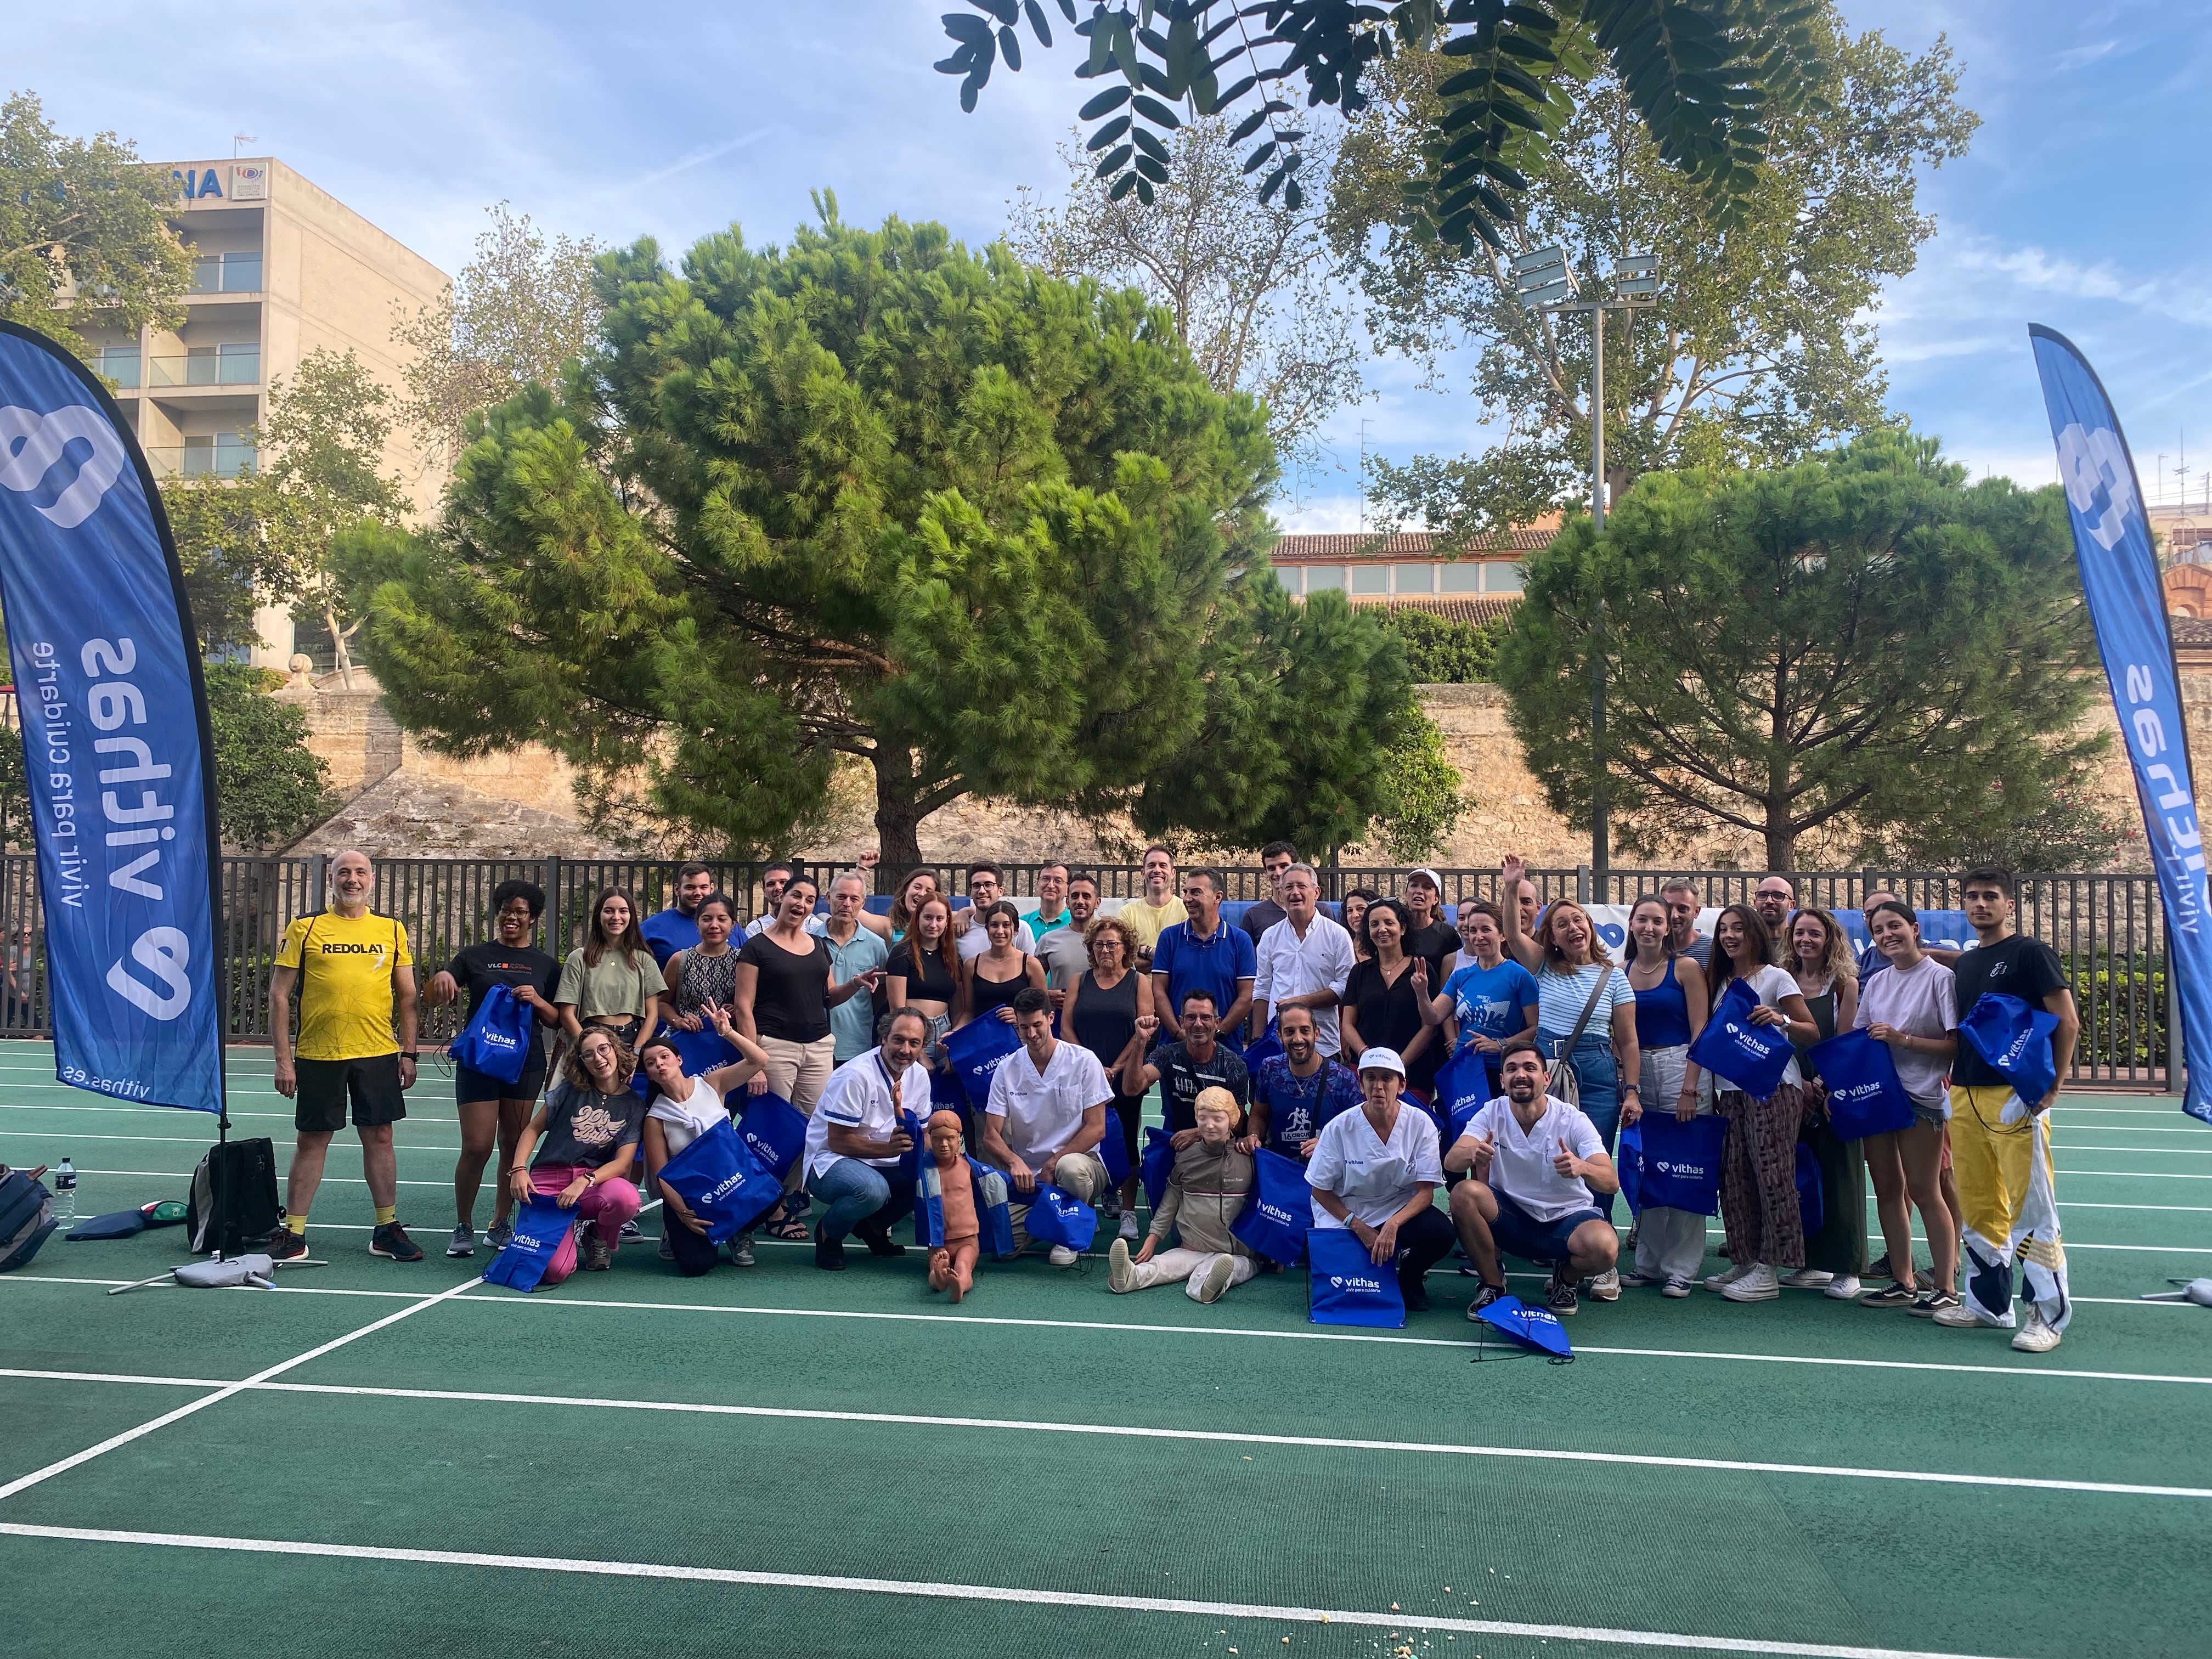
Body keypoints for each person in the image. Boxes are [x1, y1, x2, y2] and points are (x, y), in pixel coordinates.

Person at [1938, 867, 2078, 1351]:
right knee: (1979, 1204)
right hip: (1966, 1093)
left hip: (2016, 1095)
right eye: (1972, 897)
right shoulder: (1970, 962)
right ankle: (1988, 1304)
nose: (1980, 904)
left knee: (2032, 1207)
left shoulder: (2031, 953)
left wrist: (2054, 1086)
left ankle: (2047, 1315)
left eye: (1990, 896)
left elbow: (2067, 1021)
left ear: (2009, 904)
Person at [265, 849, 422, 1263]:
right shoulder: (305, 928)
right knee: (312, 1140)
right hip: (320, 1053)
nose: (352, 880)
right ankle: (293, 1233)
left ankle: (387, 1229)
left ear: (372, 879)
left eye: (360, 873)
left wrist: (410, 1052)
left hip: (378, 1053)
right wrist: (284, 1059)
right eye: (343, 873)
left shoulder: (391, 929)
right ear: (331, 879)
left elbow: (407, 995)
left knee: (381, 1137)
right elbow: (279, 995)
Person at [1498, 854, 1639, 1300]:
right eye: (1562, 924)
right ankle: (1552, 1241)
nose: (1573, 928)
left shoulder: (1615, 978)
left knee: (1594, 1164)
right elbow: (1513, 934)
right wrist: (1511, 887)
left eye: (1578, 920)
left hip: (1596, 1073)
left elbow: (1629, 1042)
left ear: (1591, 927)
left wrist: (1631, 1092)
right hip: (1549, 1070)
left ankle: (1599, 1263)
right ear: (1552, 937)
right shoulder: (1541, 965)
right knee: (1545, 1156)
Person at [733, 874, 886, 1242]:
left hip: (819, 1048)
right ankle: (763, 1211)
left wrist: (855, 984)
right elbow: (743, 1006)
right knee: (771, 1134)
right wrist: (754, 1062)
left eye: (808, 899)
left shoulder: (818, 946)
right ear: (782, 897)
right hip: (774, 1049)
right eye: (795, 896)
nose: (800, 904)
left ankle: (781, 1201)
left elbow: (829, 997)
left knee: (811, 1133)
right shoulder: (756, 948)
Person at [424, 877, 562, 1257]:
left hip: (526, 1064)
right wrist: (442, 979)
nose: (512, 917)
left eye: (520, 912)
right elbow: (434, 995)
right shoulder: (473, 956)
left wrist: (537, 1000)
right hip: (480, 1061)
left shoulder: (547, 966)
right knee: (477, 1146)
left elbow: (558, 1020)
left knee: (512, 1145)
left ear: (533, 918)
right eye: (506, 910)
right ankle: (463, 1225)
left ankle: (500, 1223)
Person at [1691, 905, 1820, 1304]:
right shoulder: (1718, 981)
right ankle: (1745, 1258)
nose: (1730, 936)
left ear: (1755, 935)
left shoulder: (1776, 977)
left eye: (1738, 929)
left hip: (1774, 1088)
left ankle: (1771, 1266)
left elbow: (1812, 1032)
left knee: (1771, 1173)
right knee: (1733, 1175)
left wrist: (1780, 1019)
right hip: (1730, 1090)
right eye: (1724, 930)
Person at [1446, 1040, 1622, 1318]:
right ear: (1502, 1080)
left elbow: (1611, 1182)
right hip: (1510, 1219)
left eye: (1530, 1068)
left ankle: (1566, 1279)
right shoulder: (1491, 1111)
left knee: (1605, 1248)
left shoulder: (1572, 1119)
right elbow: (1452, 1161)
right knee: (1464, 1193)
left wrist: (1582, 1167)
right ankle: (1493, 1283)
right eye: (1512, 1069)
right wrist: (1473, 1152)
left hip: (1566, 1220)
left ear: (1546, 1078)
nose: (1521, 1075)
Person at [1853, 898, 1962, 1317]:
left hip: (1922, 1098)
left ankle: (1947, 1286)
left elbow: (1954, 1045)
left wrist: (1904, 1041)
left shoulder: (1940, 978)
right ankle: (1903, 1281)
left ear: (1915, 928)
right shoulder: (1877, 983)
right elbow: (1860, 1040)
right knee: (1887, 1191)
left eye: (1894, 926)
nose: (1887, 935)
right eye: (1879, 930)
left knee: (1925, 1189)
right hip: (1879, 1097)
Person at [1306, 1047, 1454, 1312]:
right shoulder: (1339, 1128)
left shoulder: (1421, 1124)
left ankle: (1409, 1279)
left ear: (1402, 1085)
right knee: (1346, 1289)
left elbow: (1425, 1193)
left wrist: (1394, 1224)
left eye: (1387, 1078)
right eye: (1371, 1078)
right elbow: (1320, 1191)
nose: (1378, 1086)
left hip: (1398, 1208)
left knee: (1441, 1233)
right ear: (1361, 1084)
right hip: (1347, 1212)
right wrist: (1360, 1227)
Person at [979, 988, 1114, 1264]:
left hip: (1080, 1164)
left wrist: (1053, 1163)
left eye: (1037, 1025)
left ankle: (1072, 1225)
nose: (1031, 1035)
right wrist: (1014, 1161)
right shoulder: (1007, 1069)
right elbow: (991, 1135)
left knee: (1070, 1170)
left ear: (1051, 1018)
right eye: (1023, 1027)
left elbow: (1097, 1127)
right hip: (1030, 1178)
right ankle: (1055, 1216)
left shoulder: (1084, 1060)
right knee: (1000, 1246)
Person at [1618, 894, 1711, 1295]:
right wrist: (1629, 1085)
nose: (1650, 928)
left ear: (1669, 926)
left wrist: (1690, 1087)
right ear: (1632, 925)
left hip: (1681, 1068)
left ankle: (1682, 1269)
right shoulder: (1620, 971)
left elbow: (1700, 1030)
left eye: (1658, 921)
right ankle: (1649, 1264)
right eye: (1643, 920)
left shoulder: (1686, 968)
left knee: (1685, 1168)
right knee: (1649, 1168)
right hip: (1639, 1074)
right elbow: (1620, 1036)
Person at [505, 1024, 645, 1282]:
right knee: (555, 1272)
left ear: (615, 1050)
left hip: (588, 1185)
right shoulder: (570, 1090)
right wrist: (519, 1169)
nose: (599, 1059)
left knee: (627, 1198)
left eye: (604, 1049)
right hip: (548, 1182)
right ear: (582, 1061)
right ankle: (552, 1228)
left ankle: (595, 1234)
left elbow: (624, 1164)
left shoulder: (634, 1104)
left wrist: (585, 1180)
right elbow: (532, 1130)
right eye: (588, 1054)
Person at [638, 1011, 773, 1274]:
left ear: (679, 1060)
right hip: (693, 1195)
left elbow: (759, 1060)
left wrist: (727, 1033)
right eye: (651, 1063)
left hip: (731, 1179)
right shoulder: (655, 1118)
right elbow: (663, 1175)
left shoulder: (712, 1084)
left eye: (664, 1057)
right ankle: (674, 1232)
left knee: (770, 1194)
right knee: (696, 1265)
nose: (659, 1065)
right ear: (650, 1075)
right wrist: (683, 1213)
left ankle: (738, 1231)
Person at [803, 1007, 932, 1270]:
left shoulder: (920, 1076)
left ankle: (872, 1228)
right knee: (873, 1190)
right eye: (899, 1039)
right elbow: (838, 1141)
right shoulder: (856, 1074)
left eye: (914, 1043)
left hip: (884, 1159)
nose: (905, 1050)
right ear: (883, 1037)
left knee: (931, 1175)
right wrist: (888, 1149)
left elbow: (924, 1133)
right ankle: (829, 1233)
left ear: (922, 1047)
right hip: (831, 1160)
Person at [1784, 906, 1868, 1298]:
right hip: (1792, 1089)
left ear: (1829, 939)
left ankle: (1848, 1267)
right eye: (1800, 933)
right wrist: (1798, 1083)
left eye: (1814, 934)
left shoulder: (1844, 984)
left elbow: (1845, 1039)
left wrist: (1823, 1083)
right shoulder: (1783, 980)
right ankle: (1813, 1260)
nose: (1806, 940)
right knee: (1803, 1176)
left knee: (1841, 1176)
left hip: (1833, 1090)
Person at [1108, 1085, 1257, 1304]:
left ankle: (1206, 1287)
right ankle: (1128, 1276)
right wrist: (1153, 1239)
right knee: (1164, 1265)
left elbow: (1268, 1205)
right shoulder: (1186, 1157)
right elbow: (1171, 1201)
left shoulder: (1249, 1158)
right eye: (1203, 1118)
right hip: (1193, 1246)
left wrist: (1274, 1249)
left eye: (1218, 1119)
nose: (1210, 1125)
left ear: (1233, 1120)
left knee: (1227, 1267)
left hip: (1238, 1253)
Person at [1062, 912, 1154, 1238]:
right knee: (1082, 1138)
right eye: (1099, 945)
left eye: (1112, 944)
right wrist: (1091, 1065)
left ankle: (1128, 1212)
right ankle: (1083, 1207)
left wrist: (1115, 1067)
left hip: (1124, 1076)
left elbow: (1144, 1029)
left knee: (1127, 1140)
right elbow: (1066, 1027)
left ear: (1125, 947)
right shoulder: (1079, 981)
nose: (1106, 950)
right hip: (1083, 1076)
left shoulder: (1139, 982)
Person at [1424, 900, 1540, 1103]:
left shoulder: (1520, 976)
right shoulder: (1461, 976)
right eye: (1473, 930)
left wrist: (1501, 1044)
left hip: (1501, 1072)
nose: (1478, 937)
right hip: (1464, 1069)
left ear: (1503, 935)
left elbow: (1536, 1028)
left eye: (1486, 930)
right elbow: (1433, 1016)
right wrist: (1421, 992)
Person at [1342, 898, 1443, 1097]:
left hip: (1412, 1075)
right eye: (1374, 924)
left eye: (1389, 923)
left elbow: (1430, 1027)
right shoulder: (1359, 972)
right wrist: (1368, 1057)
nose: (1382, 929)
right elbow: (1347, 1024)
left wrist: (1398, 1065)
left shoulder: (1422, 970)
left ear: (1403, 928)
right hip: (1365, 1074)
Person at [1253, 864, 1356, 1059]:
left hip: (1323, 1044)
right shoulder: (1270, 936)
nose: (1295, 893)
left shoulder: (1337, 935)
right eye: (1289, 887)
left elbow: (1345, 987)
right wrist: (1258, 1038)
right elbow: (1262, 989)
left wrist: (1300, 1003)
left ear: (1316, 892)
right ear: (1281, 894)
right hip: (1278, 1045)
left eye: (1302, 886)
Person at [1125, 989, 1252, 1141]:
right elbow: (1132, 1088)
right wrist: (1140, 1041)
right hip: (1175, 1142)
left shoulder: (1233, 1065)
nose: (1198, 1024)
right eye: (1191, 1017)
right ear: (1182, 1022)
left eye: (1205, 1017)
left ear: (1216, 1022)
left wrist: (1199, 1133)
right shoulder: (1168, 1055)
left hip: (1216, 1147)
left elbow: (1236, 1123)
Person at [1151, 869, 1256, 1049]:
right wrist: (1179, 1033)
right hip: (1175, 1049)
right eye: (1186, 892)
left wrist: (1215, 1035)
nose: (1187, 899)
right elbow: (1159, 991)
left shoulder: (1240, 940)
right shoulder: (1170, 938)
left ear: (1217, 897)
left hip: (1225, 1051)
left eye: (1196, 892)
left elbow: (1247, 997)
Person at [1248, 1002, 1361, 1164]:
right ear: (1280, 1036)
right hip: (1280, 1169)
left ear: (1317, 1033)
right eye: (1289, 1032)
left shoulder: (1343, 1079)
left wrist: (1330, 1144)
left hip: (1327, 1173)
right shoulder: (1270, 1069)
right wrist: (1254, 1136)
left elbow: (1359, 1131)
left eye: (1305, 1030)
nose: (1298, 1039)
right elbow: (1259, 1114)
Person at [555, 890, 664, 1051]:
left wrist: (636, 1052)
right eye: (609, 911)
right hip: (590, 1035)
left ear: (631, 916)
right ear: (598, 916)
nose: (616, 917)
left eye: (623, 911)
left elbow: (653, 1015)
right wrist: (589, 1050)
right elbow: (567, 1014)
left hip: (632, 1039)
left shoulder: (645, 960)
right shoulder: (579, 958)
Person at [887, 893, 963, 1087]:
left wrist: (954, 1044)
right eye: (928, 918)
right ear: (918, 918)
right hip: (912, 1034)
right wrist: (919, 1051)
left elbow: (958, 1007)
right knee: (908, 1093)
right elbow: (897, 1009)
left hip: (945, 1035)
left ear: (947, 922)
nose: (933, 924)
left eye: (940, 919)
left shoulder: (953, 958)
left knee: (944, 1101)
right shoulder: (901, 953)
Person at [823, 870, 892, 1066]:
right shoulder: (811, 940)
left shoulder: (876, 945)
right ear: (829, 897)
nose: (847, 904)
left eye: (854, 899)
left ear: (863, 903)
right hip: (815, 1043)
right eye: (841, 897)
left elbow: (881, 993)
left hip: (856, 1045)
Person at [657, 893, 741, 1032]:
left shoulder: (742, 961)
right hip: (688, 1039)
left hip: (730, 1042)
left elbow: (756, 1003)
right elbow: (661, 1002)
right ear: (697, 923)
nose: (714, 925)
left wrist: (738, 1009)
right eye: (707, 919)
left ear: (733, 924)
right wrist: (678, 1021)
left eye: (722, 919)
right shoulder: (680, 960)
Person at [923, 1109, 982, 1301]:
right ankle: (939, 1279)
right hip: (940, 1240)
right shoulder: (924, 1170)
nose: (944, 1144)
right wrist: (899, 1110)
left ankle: (960, 1286)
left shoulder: (970, 1167)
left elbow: (1000, 1182)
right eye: (938, 1139)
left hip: (967, 1238)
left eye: (950, 1138)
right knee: (936, 1265)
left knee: (964, 1266)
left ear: (960, 1140)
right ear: (930, 1139)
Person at [966, 900, 1047, 1026]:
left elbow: (1044, 1010)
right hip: (983, 1039)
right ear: (987, 929)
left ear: (1015, 930)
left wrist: (1020, 1016)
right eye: (994, 925)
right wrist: (953, 1034)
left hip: (1021, 1038)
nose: (1000, 931)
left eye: (1006, 925)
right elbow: (968, 1013)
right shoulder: (971, 966)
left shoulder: (1031, 965)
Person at [1035, 871, 1102, 1008]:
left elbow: (1128, 980)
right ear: (1068, 902)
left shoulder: (1112, 941)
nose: (1080, 901)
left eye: (1087, 896)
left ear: (1097, 902)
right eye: (1075, 896)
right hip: (1060, 1017)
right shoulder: (1049, 940)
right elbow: (1031, 984)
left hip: (1102, 1016)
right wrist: (1047, 995)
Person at [1118, 844, 1188, 960]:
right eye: (1151, 866)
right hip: (1138, 979)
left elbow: (1187, 958)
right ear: (1143, 872)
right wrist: (1169, 958)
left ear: (1173, 873)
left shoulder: (1186, 910)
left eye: (1163, 866)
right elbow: (1123, 960)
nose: (1157, 870)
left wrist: (1145, 951)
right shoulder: (1128, 913)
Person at [953, 864, 1036, 962]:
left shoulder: (1021, 928)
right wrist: (964, 912)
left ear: (1000, 891)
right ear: (971, 892)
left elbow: (1032, 968)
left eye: (988, 885)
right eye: (976, 886)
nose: (982, 891)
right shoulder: (961, 930)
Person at [642, 861, 717, 970]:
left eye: (703, 887)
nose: (697, 893)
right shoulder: (651, 928)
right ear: (677, 890)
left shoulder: (729, 927)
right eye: (690, 887)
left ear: (712, 889)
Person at [744, 859, 830, 939]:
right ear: (765, 891)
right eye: (771, 884)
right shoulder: (756, 928)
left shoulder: (815, 926)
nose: (778, 888)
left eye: (783, 882)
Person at [1240, 840, 1298, 946]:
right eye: (1271, 868)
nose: (1278, 873)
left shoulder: (1320, 911)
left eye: (1284, 866)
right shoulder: (1254, 916)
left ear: (1295, 867)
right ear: (1266, 872)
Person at [1401, 868, 1458, 972]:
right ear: (1406, 894)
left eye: (1427, 887)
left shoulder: (1447, 934)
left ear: (1436, 899)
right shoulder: (1395, 929)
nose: (1419, 891)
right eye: (1414, 885)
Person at [1661, 877, 1712, 972]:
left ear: (1696, 912)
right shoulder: (1652, 948)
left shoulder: (1713, 950)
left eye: (1683, 909)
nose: (1674, 915)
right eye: (1668, 908)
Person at [885, 867, 944, 943]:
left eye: (928, 891)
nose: (922, 894)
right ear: (906, 889)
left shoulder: (940, 924)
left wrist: (963, 913)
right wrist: (864, 868)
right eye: (917, 888)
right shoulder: (888, 926)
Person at [1020, 862, 1074, 939]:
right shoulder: (1023, 923)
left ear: (1068, 889)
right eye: (1046, 879)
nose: (1051, 886)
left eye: (1058, 881)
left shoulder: (1075, 925)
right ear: (1037, 884)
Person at [1753, 875, 1798, 948]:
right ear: (1755, 903)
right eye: (1763, 895)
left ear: (1791, 905)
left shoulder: (1800, 944)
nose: (1769, 901)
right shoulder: (1744, 943)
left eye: (1778, 896)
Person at [1339, 888, 1378, 958]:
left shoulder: (1385, 947)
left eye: (1361, 909)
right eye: (1350, 910)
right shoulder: (1342, 949)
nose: (1355, 915)